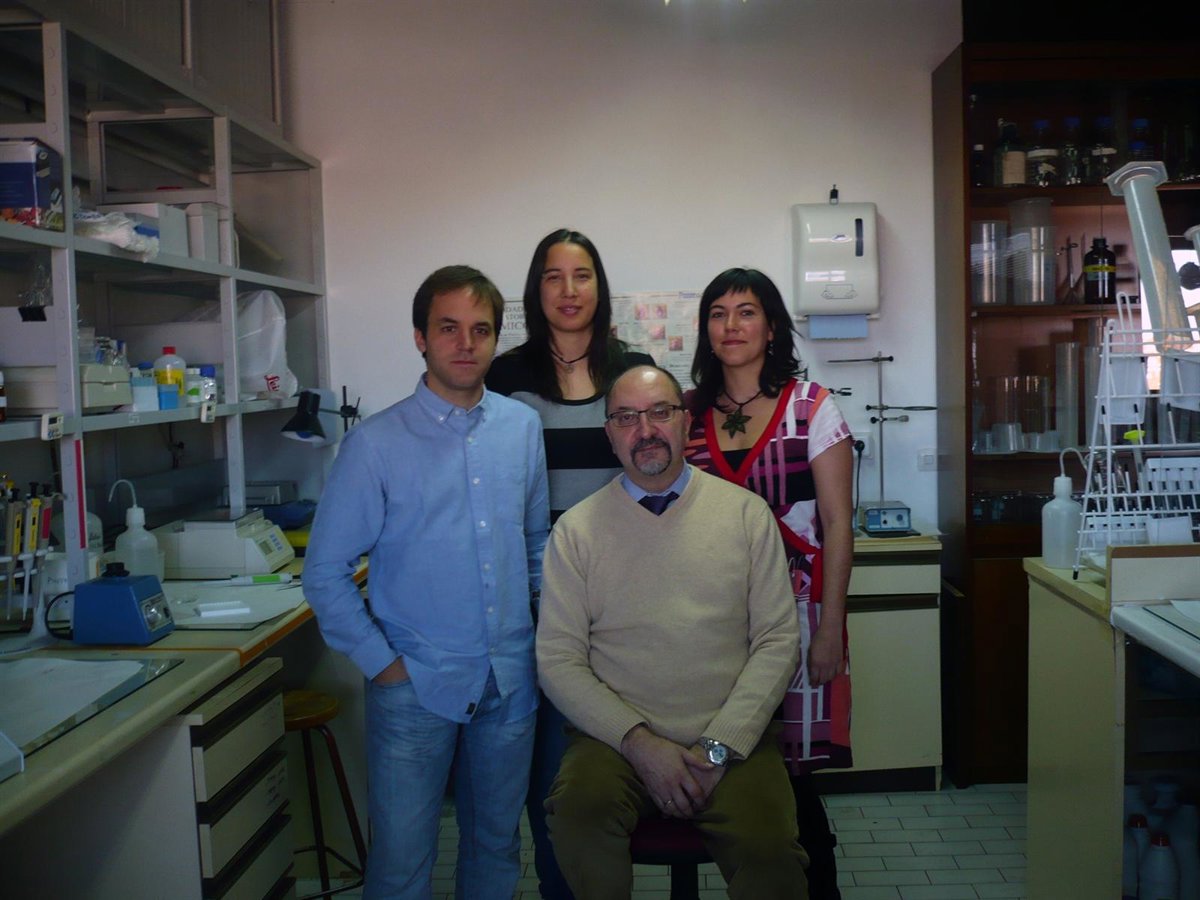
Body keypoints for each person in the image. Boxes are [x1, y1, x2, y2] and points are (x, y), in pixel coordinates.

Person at [303, 265, 550, 900]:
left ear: (495, 339)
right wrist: (386, 669)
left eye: (480, 330)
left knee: (497, 848)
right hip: (414, 684)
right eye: (448, 328)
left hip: (509, 680)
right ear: (420, 337)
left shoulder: (522, 428)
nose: (466, 343)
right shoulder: (375, 444)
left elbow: (532, 546)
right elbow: (325, 574)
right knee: (403, 862)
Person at [537, 364, 808, 900]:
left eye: (660, 412)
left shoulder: (746, 516)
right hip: (615, 743)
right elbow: (557, 659)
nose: (645, 430)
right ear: (609, 434)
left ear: (686, 423)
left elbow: (777, 641)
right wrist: (639, 744)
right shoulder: (575, 532)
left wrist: (718, 747)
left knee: (772, 855)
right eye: (626, 417)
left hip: (731, 738)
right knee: (577, 817)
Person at [485, 228, 652, 899]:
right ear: (536, 291)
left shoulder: (632, 371)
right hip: (537, 599)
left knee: (618, 751)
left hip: (624, 600)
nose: (568, 290)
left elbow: (657, 477)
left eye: (581, 275)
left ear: (599, 286)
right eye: (553, 277)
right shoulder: (506, 377)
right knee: (551, 768)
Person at [683, 267, 854, 900]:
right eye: (718, 313)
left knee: (793, 775)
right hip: (715, 623)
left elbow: (838, 524)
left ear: (772, 326)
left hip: (800, 614)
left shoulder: (811, 406)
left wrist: (830, 628)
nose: (731, 326)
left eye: (747, 312)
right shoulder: (688, 414)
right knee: (731, 758)